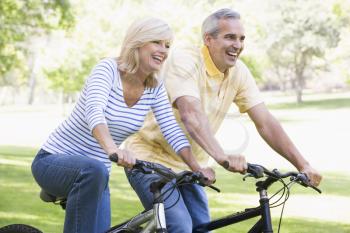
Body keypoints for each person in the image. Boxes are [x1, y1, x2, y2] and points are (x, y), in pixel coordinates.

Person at [123, 8, 323, 233]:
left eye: (241, 38)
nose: (237, 45)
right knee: (179, 226)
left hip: (190, 166)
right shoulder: (185, 60)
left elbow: (265, 121)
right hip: (150, 160)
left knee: (202, 228)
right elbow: (190, 113)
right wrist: (221, 156)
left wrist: (302, 164)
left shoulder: (239, 72)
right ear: (208, 39)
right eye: (230, 37)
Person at [31, 17, 212, 233]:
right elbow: (94, 112)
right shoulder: (107, 69)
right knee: (94, 168)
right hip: (53, 161)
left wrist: (197, 168)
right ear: (137, 42)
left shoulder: (154, 86)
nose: (163, 50)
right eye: (157, 42)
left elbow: (171, 129)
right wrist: (112, 149)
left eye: (167, 45)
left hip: (97, 177)